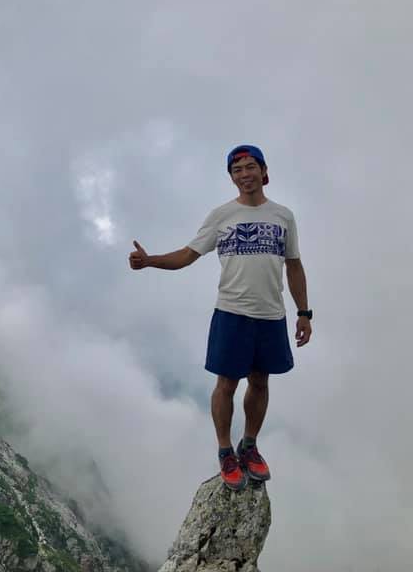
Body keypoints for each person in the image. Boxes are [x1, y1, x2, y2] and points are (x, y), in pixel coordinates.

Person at [128, 144, 312, 491]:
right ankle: (225, 451)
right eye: (236, 170)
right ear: (231, 177)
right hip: (231, 312)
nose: (244, 174)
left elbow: (294, 265)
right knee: (226, 384)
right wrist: (150, 261)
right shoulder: (221, 216)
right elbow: (187, 255)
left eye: (250, 167)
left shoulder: (283, 216)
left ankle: (249, 445)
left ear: (263, 171)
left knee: (260, 382)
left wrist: (304, 313)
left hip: (271, 314)